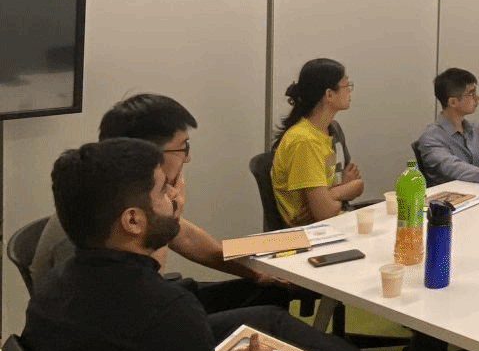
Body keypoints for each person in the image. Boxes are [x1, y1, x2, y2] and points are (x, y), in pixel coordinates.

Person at [22, 138, 466, 351]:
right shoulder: (166, 312)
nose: (176, 196)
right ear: (133, 221)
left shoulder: (50, 293)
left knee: (264, 320)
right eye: (164, 190)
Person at [29, 93, 287, 313]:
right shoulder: (102, 216)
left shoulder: (124, 192)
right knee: (271, 319)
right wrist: (168, 217)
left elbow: (188, 239)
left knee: (269, 292)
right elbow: (144, 294)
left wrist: (257, 272)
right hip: (125, 323)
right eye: (182, 147)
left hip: (149, 301)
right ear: (148, 154)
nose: (187, 158)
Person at [271, 58, 364, 225]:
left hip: (339, 222)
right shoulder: (304, 141)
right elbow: (324, 212)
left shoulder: (332, 130)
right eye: (346, 85)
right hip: (316, 232)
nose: (350, 91)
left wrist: (332, 193)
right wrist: (342, 189)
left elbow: (357, 184)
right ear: (329, 94)